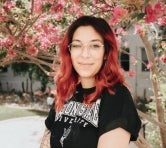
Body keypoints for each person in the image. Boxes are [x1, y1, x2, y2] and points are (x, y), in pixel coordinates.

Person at [40, 15, 141, 148]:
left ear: (106, 52)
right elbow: (46, 142)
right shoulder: (66, 92)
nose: (85, 54)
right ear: (69, 51)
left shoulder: (117, 97)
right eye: (77, 45)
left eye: (94, 45)